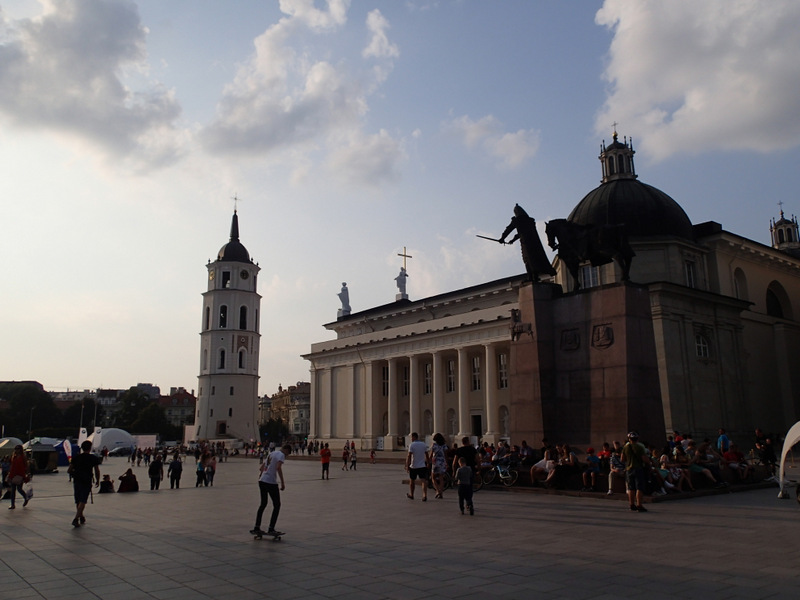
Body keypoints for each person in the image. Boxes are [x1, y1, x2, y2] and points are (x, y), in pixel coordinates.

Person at [250, 443, 292, 537]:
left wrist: (261, 476)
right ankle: (271, 528)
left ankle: (257, 526)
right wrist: (282, 482)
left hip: (262, 481)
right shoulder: (281, 455)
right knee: (277, 505)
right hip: (270, 482)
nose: (286, 456)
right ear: (286, 450)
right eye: (287, 454)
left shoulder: (271, 453)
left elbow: (261, 467)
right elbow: (278, 467)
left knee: (263, 504)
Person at [67, 440, 101, 527]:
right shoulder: (93, 458)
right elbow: (97, 470)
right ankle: (76, 518)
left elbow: (69, 470)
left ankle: (81, 516)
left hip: (77, 480)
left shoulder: (76, 457)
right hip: (86, 480)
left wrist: (75, 473)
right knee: (83, 500)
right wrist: (97, 480)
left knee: (78, 500)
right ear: (90, 448)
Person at [621, 431, 650, 512]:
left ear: (629, 439)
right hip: (638, 468)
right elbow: (644, 458)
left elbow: (622, 459)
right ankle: (639, 505)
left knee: (631, 487)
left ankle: (631, 504)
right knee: (639, 487)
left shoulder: (625, 447)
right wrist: (649, 463)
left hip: (629, 469)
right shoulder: (640, 446)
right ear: (637, 438)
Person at [405, 432, 429, 501]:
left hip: (414, 466)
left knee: (412, 481)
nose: (411, 439)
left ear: (413, 437)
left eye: (411, 437)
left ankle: (412, 494)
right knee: (423, 480)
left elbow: (409, 456)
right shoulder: (423, 444)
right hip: (422, 466)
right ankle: (424, 495)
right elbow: (426, 454)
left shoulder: (412, 445)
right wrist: (428, 463)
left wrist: (407, 465)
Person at [6, 445, 31, 509]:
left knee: (19, 489)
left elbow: (26, 465)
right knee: (13, 490)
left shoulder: (23, 457)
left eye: (18, 449)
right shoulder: (13, 456)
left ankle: (26, 497)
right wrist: (9, 475)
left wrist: (27, 474)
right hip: (13, 475)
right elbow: (11, 466)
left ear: (21, 449)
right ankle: (12, 504)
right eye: (15, 449)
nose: (16, 450)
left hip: (20, 475)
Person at [429, 433, 448, 499]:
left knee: (433, 477)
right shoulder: (444, 445)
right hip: (442, 462)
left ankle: (437, 491)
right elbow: (445, 455)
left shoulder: (434, 445)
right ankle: (441, 493)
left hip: (435, 462)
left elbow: (431, 455)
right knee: (441, 478)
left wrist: (429, 461)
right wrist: (446, 462)